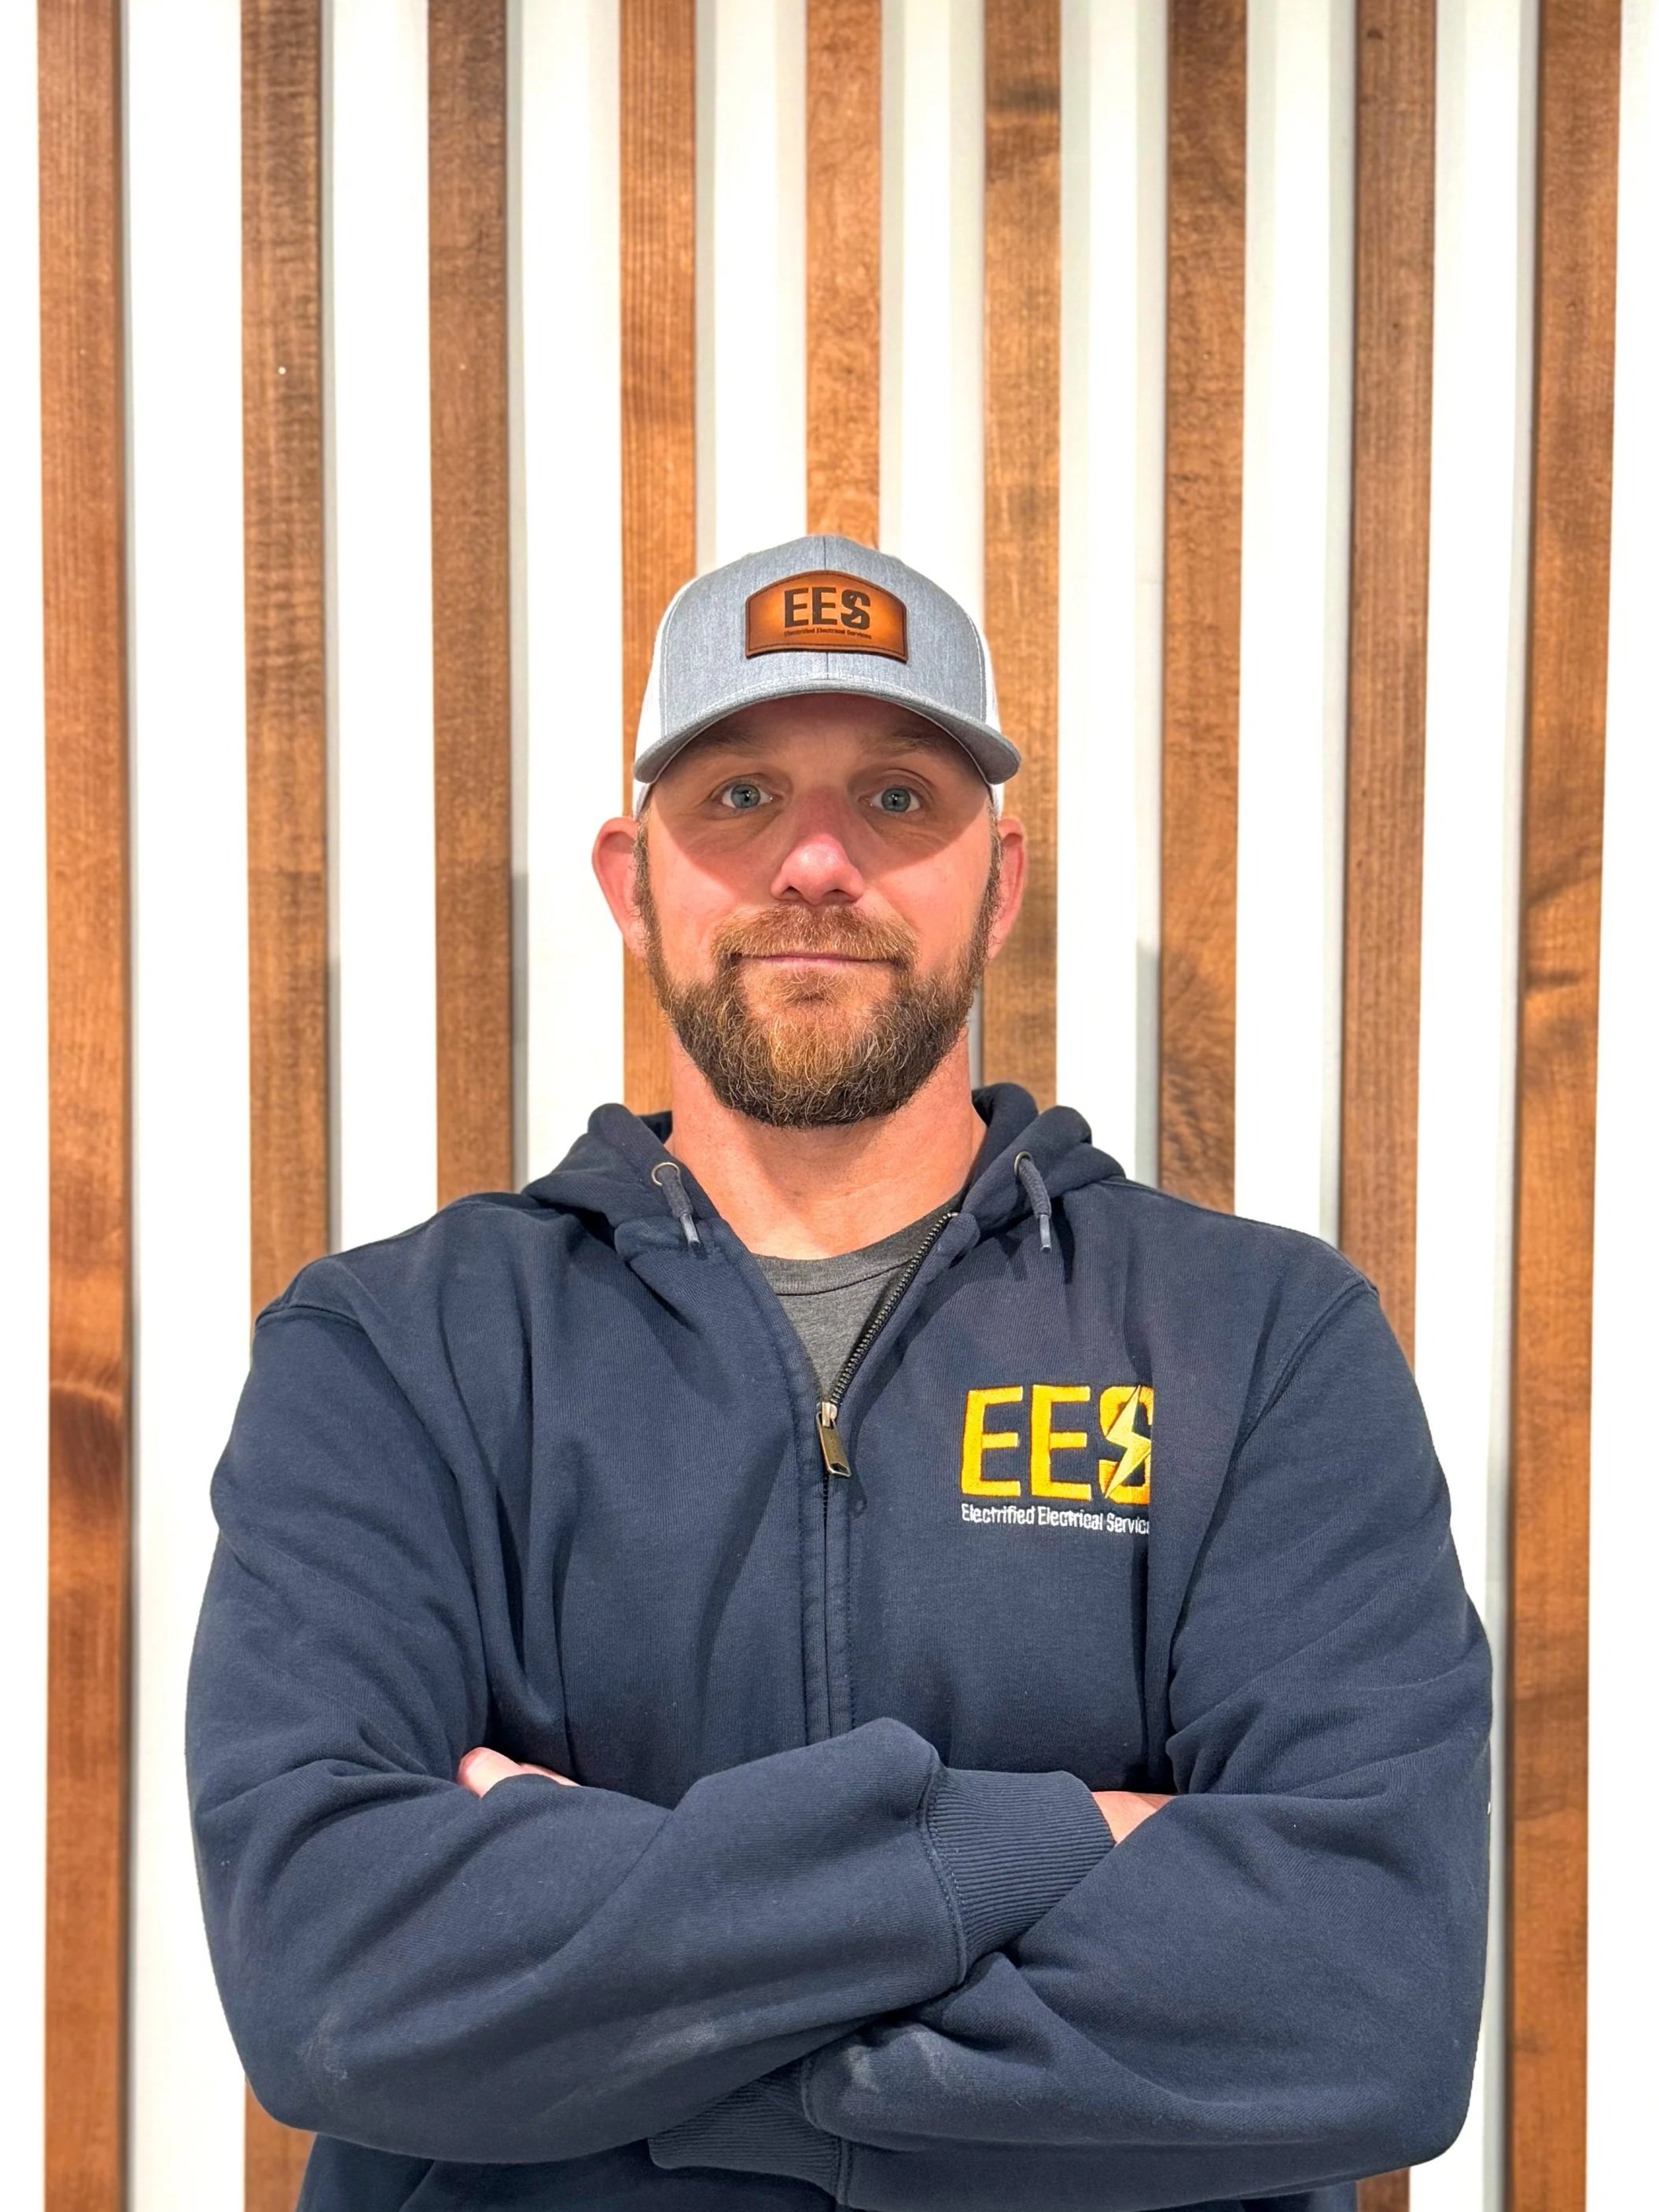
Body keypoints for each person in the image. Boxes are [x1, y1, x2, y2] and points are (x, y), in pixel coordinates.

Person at [187, 536, 1491, 2212]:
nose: (814, 862)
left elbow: (1366, 1994)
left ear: (998, 881)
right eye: (736, 798)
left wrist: (632, 1963)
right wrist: (1066, 1839)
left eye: (894, 800)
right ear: (628, 874)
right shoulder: (395, 1351)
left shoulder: (1258, 1341)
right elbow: (334, 1982)